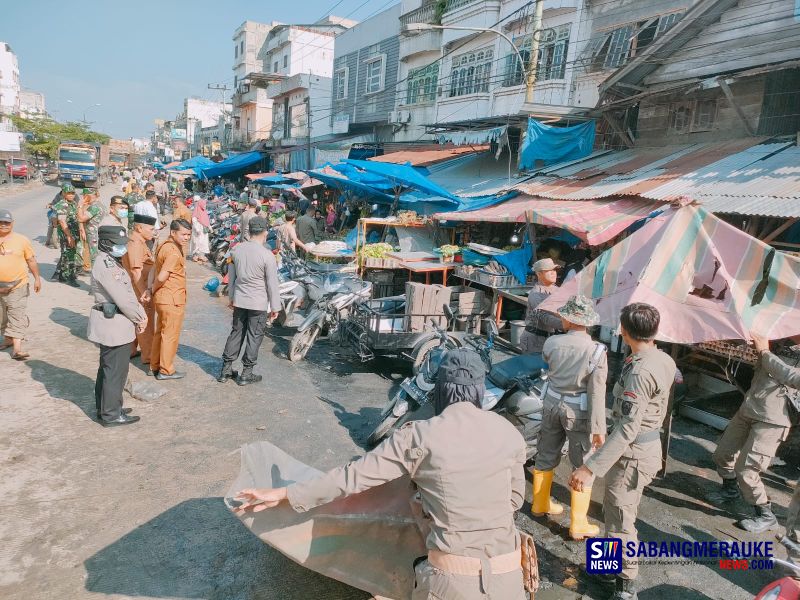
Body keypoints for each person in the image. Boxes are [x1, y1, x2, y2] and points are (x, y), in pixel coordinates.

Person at [235, 348, 528, 600]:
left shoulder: (419, 436)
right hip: (510, 579)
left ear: (440, 388)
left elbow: (351, 479)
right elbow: (514, 501)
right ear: (479, 389)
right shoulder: (509, 432)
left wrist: (286, 493)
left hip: (450, 582)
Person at [569, 303, 675, 600]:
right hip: (637, 448)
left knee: (620, 519)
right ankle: (603, 569)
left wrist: (590, 467)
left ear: (624, 331)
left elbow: (628, 427)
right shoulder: (660, 358)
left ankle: (626, 585)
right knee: (612, 512)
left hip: (634, 454)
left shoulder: (640, 371)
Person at [531, 295, 608, 541]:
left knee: (545, 452)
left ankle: (539, 504)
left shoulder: (552, 342)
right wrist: (598, 428)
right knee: (582, 464)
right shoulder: (596, 351)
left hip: (551, 403)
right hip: (578, 412)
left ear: (568, 318)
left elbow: (547, 363)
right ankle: (578, 523)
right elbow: (597, 392)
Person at [711, 334, 799, 532]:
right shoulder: (779, 339)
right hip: (749, 408)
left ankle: (765, 514)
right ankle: (730, 488)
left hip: (773, 419)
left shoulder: (771, 348)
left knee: (747, 470)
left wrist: (764, 352)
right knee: (722, 454)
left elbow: (792, 377)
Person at [88, 225, 147, 427]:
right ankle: (111, 414)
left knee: (108, 369)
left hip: (115, 323)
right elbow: (124, 299)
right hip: (114, 325)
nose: (122, 248)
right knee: (114, 371)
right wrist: (141, 318)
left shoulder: (109, 260)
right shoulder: (106, 265)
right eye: (118, 245)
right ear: (105, 244)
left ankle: (106, 408)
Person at [218, 217, 282, 386]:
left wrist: (231, 298)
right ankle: (247, 373)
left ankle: (226, 370)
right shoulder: (267, 255)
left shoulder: (236, 250)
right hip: (258, 303)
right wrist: (275, 307)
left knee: (236, 333)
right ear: (265, 232)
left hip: (239, 300)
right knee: (254, 336)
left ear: (249, 231)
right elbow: (272, 284)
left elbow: (231, 278)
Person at [148, 219, 191, 380]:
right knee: (170, 335)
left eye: (188, 235)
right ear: (173, 233)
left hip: (163, 298)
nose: (186, 237)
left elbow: (154, 269)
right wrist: (152, 289)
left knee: (161, 332)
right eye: (183, 234)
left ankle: (155, 365)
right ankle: (166, 370)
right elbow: (161, 275)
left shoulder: (164, 245)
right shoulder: (173, 251)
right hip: (172, 298)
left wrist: (151, 290)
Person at [0, 209, 42, 361]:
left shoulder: (21, 240)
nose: (3, 225)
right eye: (1, 222)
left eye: (6, 222)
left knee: (16, 313)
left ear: (12, 224)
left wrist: (37, 278)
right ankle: (8, 339)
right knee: (2, 316)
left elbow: (31, 260)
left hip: (18, 285)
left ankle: (17, 349)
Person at [122, 214, 157, 366]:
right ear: (139, 228)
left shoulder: (139, 241)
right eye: (150, 229)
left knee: (135, 320)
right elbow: (136, 271)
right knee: (145, 322)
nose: (153, 231)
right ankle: (149, 356)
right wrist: (144, 292)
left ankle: (131, 349)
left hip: (136, 287)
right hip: (139, 288)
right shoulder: (136, 244)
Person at [519, 258, 562, 354]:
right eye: (548, 271)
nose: (553, 273)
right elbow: (544, 317)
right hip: (534, 340)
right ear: (539, 274)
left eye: (554, 270)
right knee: (532, 367)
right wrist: (568, 324)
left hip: (551, 338)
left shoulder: (557, 290)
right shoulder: (535, 294)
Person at [52, 184, 82, 287]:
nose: (71, 195)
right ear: (64, 193)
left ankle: (62, 275)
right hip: (66, 234)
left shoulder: (73, 203)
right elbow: (62, 222)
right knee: (70, 255)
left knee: (66, 254)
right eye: (68, 193)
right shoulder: (62, 204)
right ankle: (71, 278)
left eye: (73, 193)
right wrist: (69, 236)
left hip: (73, 231)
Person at [77, 188, 105, 269]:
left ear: (88, 196)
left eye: (84, 196)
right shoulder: (98, 204)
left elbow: (81, 218)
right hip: (97, 234)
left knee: (94, 258)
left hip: (94, 235)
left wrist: (80, 205)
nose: (83, 198)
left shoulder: (95, 207)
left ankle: (95, 278)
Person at [189, 195, 210, 263]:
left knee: (203, 242)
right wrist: (197, 229)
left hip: (203, 230)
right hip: (197, 230)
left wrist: (209, 227)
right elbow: (194, 220)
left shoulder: (203, 211)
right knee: (196, 242)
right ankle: (195, 256)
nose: (204, 206)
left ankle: (201, 256)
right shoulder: (196, 210)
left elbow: (206, 221)